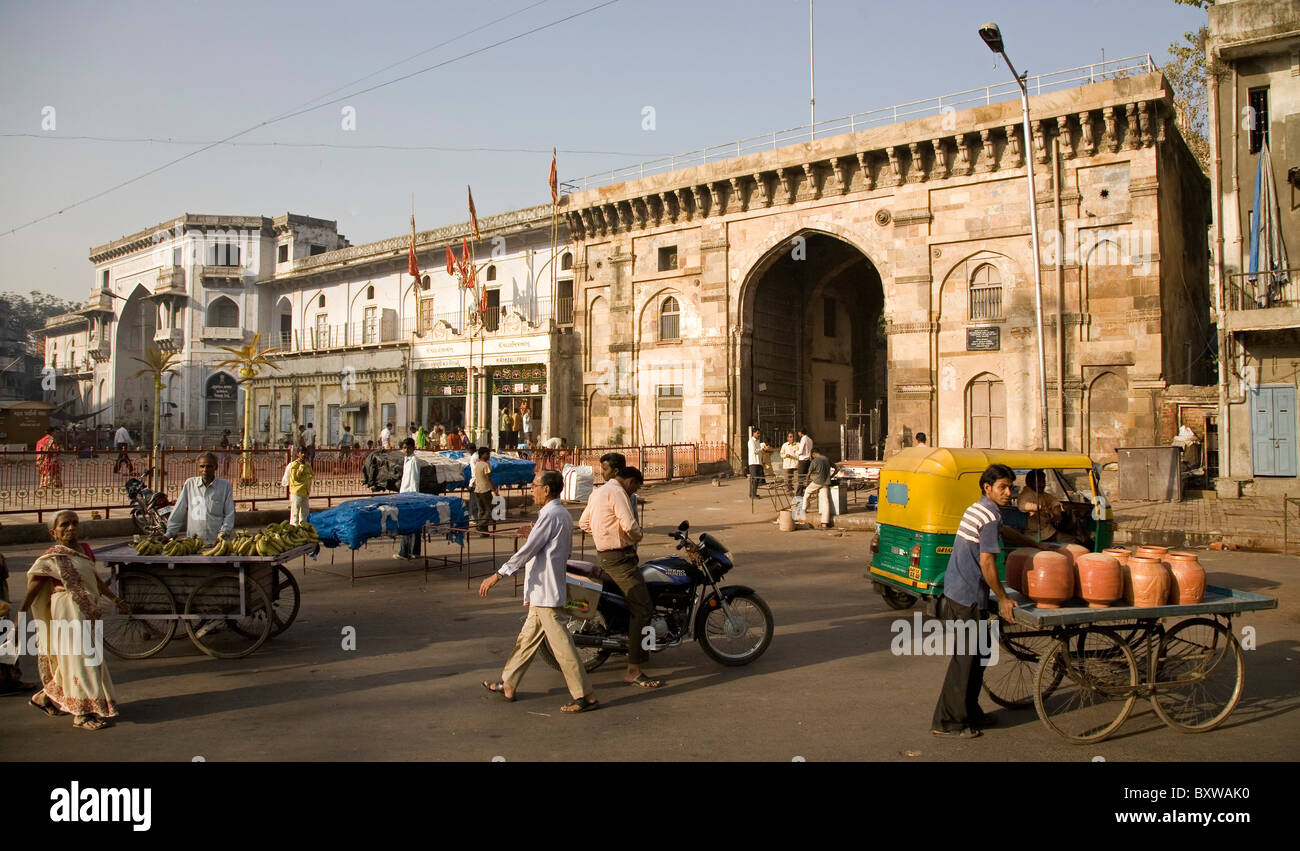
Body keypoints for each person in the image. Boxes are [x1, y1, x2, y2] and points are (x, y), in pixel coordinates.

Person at [931, 464, 1051, 739]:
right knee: (966, 661)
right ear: (987, 488)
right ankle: (948, 722)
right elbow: (987, 562)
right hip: (968, 596)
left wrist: (1034, 544)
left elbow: (1004, 532)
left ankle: (970, 712)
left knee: (978, 656)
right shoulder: (989, 516)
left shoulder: (981, 508)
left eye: (1011, 487)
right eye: (1003, 487)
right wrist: (1004, 598)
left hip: (958, 590)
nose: (1009, 492)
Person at [479, 470, 598, 712]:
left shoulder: (553, 514)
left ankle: (584, 695)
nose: (531, 489)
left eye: (535, 485)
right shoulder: (556, 514)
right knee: (527, 640)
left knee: (562, 647)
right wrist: (532, 531)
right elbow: (552, 547)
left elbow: (527, 552)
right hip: (542, 591)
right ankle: (509, 683)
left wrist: (498, 574)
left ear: (546, 489)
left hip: (546, 592)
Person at [20, 511, 128, 731]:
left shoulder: (85, 550)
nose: (70, 528)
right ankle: (82, 714)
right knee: (80, 660)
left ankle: (45, 698)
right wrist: (19, 615)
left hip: (89, 610)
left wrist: (115, 599)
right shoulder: (51, 558)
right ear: (54, 532)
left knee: (84, 659)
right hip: (67, 610)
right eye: (64, 525)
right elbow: (34, 589)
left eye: (74, 523)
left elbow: (95, 580)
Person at [579, 466, 660, 688]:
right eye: (636, 487)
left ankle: (628, 642)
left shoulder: (599, 492)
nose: (634, 491)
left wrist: (604, 531)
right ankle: (633, 670)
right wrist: (636, 536)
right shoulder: (618, 493)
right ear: (631, 481)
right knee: (643, 608)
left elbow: (584, 523)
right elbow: (629, 525)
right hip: (620, 559)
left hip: (605, 556)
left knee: (629, 603)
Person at [165, 452, 235, 545]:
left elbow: (229, 514)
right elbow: (179, 511)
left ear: (216, 467)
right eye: (202, 466)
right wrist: (169, 533)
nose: (205, 470)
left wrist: (224, 532)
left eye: (209, 466)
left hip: (217, 542)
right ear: (198, 468)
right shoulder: (190, 484)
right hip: (193, 542)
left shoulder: (225, 486)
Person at [1016, 469, 1077, 544]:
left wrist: (1056, 512)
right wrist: (1038, 508)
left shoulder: (1041, 494)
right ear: (1030, 483)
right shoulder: (1026, 495)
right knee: (1073, 541)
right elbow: (1022, 506)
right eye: (1039, 482)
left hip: (1047, 529)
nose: (1042, 485)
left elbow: (1054, 501)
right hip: (1037, 534)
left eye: (1043, 482)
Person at [396, 438, 423, 559]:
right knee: (414, 524)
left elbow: (414, 480)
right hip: (405, 494)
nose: (406, 450)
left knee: (407, 524)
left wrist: (412, 496)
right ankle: (414, 551)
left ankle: (405, 552)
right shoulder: (407, 459)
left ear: (413, 448)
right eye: (404, 448)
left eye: (408, 448)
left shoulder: (413, 461)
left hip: (410, 496)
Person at [801, 447, 835, 529]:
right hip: (826, 482)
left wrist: (806, 482)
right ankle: (824, 523)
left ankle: (804, 509)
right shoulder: (826, 459)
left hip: (817, 482)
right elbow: (836, 468)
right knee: (825, 501)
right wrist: (831, 476)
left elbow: (809, 473)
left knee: (807, 492)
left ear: (813, 454)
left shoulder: (815, 461)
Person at [281, 446, 314, 526]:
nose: (303, 455)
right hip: (297, 492)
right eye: (301, 453)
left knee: (305, 512)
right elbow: (296, 477)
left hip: (305, 492)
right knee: (295, 512)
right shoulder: (294, 465)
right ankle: (294, 528)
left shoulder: (307, 465)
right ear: (297, 454)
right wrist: (301, 466)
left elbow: (311, 474)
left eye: (305, 453)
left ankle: (304, 528)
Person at [747, 428, 769, 499]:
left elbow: (759, 452)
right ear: (753, 433)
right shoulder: (751, 441)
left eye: (759, 433)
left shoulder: (758, 441)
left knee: (756, 479)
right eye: (757, 433)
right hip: (753, 462)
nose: (759, 435)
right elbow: (755, 451)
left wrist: (764, 450)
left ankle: (753, 493)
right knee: (754, 479)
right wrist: (762, 449)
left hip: (758, 462)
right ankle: (753, 494)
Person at [795, 428, 813, 494]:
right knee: (806, 477)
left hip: (803, 460)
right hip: (808, 460)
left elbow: (801, 451)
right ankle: (805, 491)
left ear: (800, 432)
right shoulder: (810, 439)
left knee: (801, 478)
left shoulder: (803, 438)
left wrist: (796, 452)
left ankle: (799, 493)